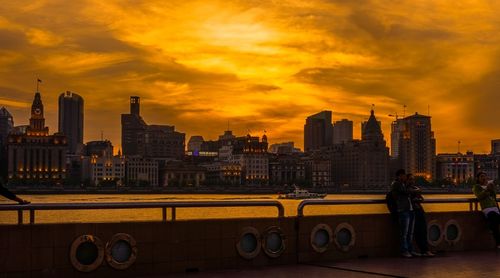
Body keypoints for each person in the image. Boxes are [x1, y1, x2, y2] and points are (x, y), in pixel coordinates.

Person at [407, 174, 435, 257]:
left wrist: (417, 198)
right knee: (417, 231)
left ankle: (425, 250)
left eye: (412, 179)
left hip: (419, 210)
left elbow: (421, 198)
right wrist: (416, 195)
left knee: (423, 230)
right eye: (410, 179)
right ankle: (422, 250)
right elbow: (409, 197)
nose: (412, 181)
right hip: (413, 211)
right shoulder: (407, 189)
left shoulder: (414, 188)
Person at [391, 169, 415, 258]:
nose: (405, 177)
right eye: (404, 175)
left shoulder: (403, 184)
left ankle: (410, 250)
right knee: (404, 233)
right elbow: (405, 192)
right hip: (403, 210)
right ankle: (404, 251)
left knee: (410, 233)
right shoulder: (396, 184)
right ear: (399, 176)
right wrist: (413, 190)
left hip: (409, 209)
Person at [472, 171, 500, 249]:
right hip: (487, 208)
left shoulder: (489, 186)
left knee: (494, 223)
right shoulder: (476, 187)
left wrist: (492, 189)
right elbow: (480, 196)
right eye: (481, 176)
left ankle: (498, 242)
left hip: (495, 207)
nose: (483, 178)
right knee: (494, 218)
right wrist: (487, 189)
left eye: (484, 176)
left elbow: (494, 197)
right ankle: (498, 242)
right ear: (478, 178)